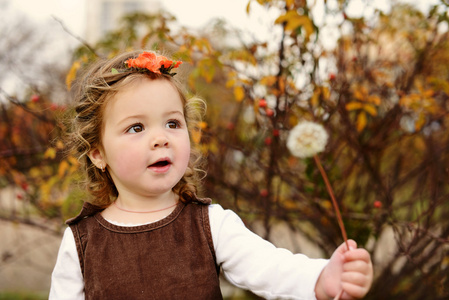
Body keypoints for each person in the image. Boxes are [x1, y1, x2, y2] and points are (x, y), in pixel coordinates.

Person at [50, 50, 373, 300]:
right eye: (136, 127)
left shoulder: (210, 224)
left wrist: (322, 278)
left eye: (173, 123)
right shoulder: (82, 241)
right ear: (98, 153)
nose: (161, 138)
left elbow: (270, 267)